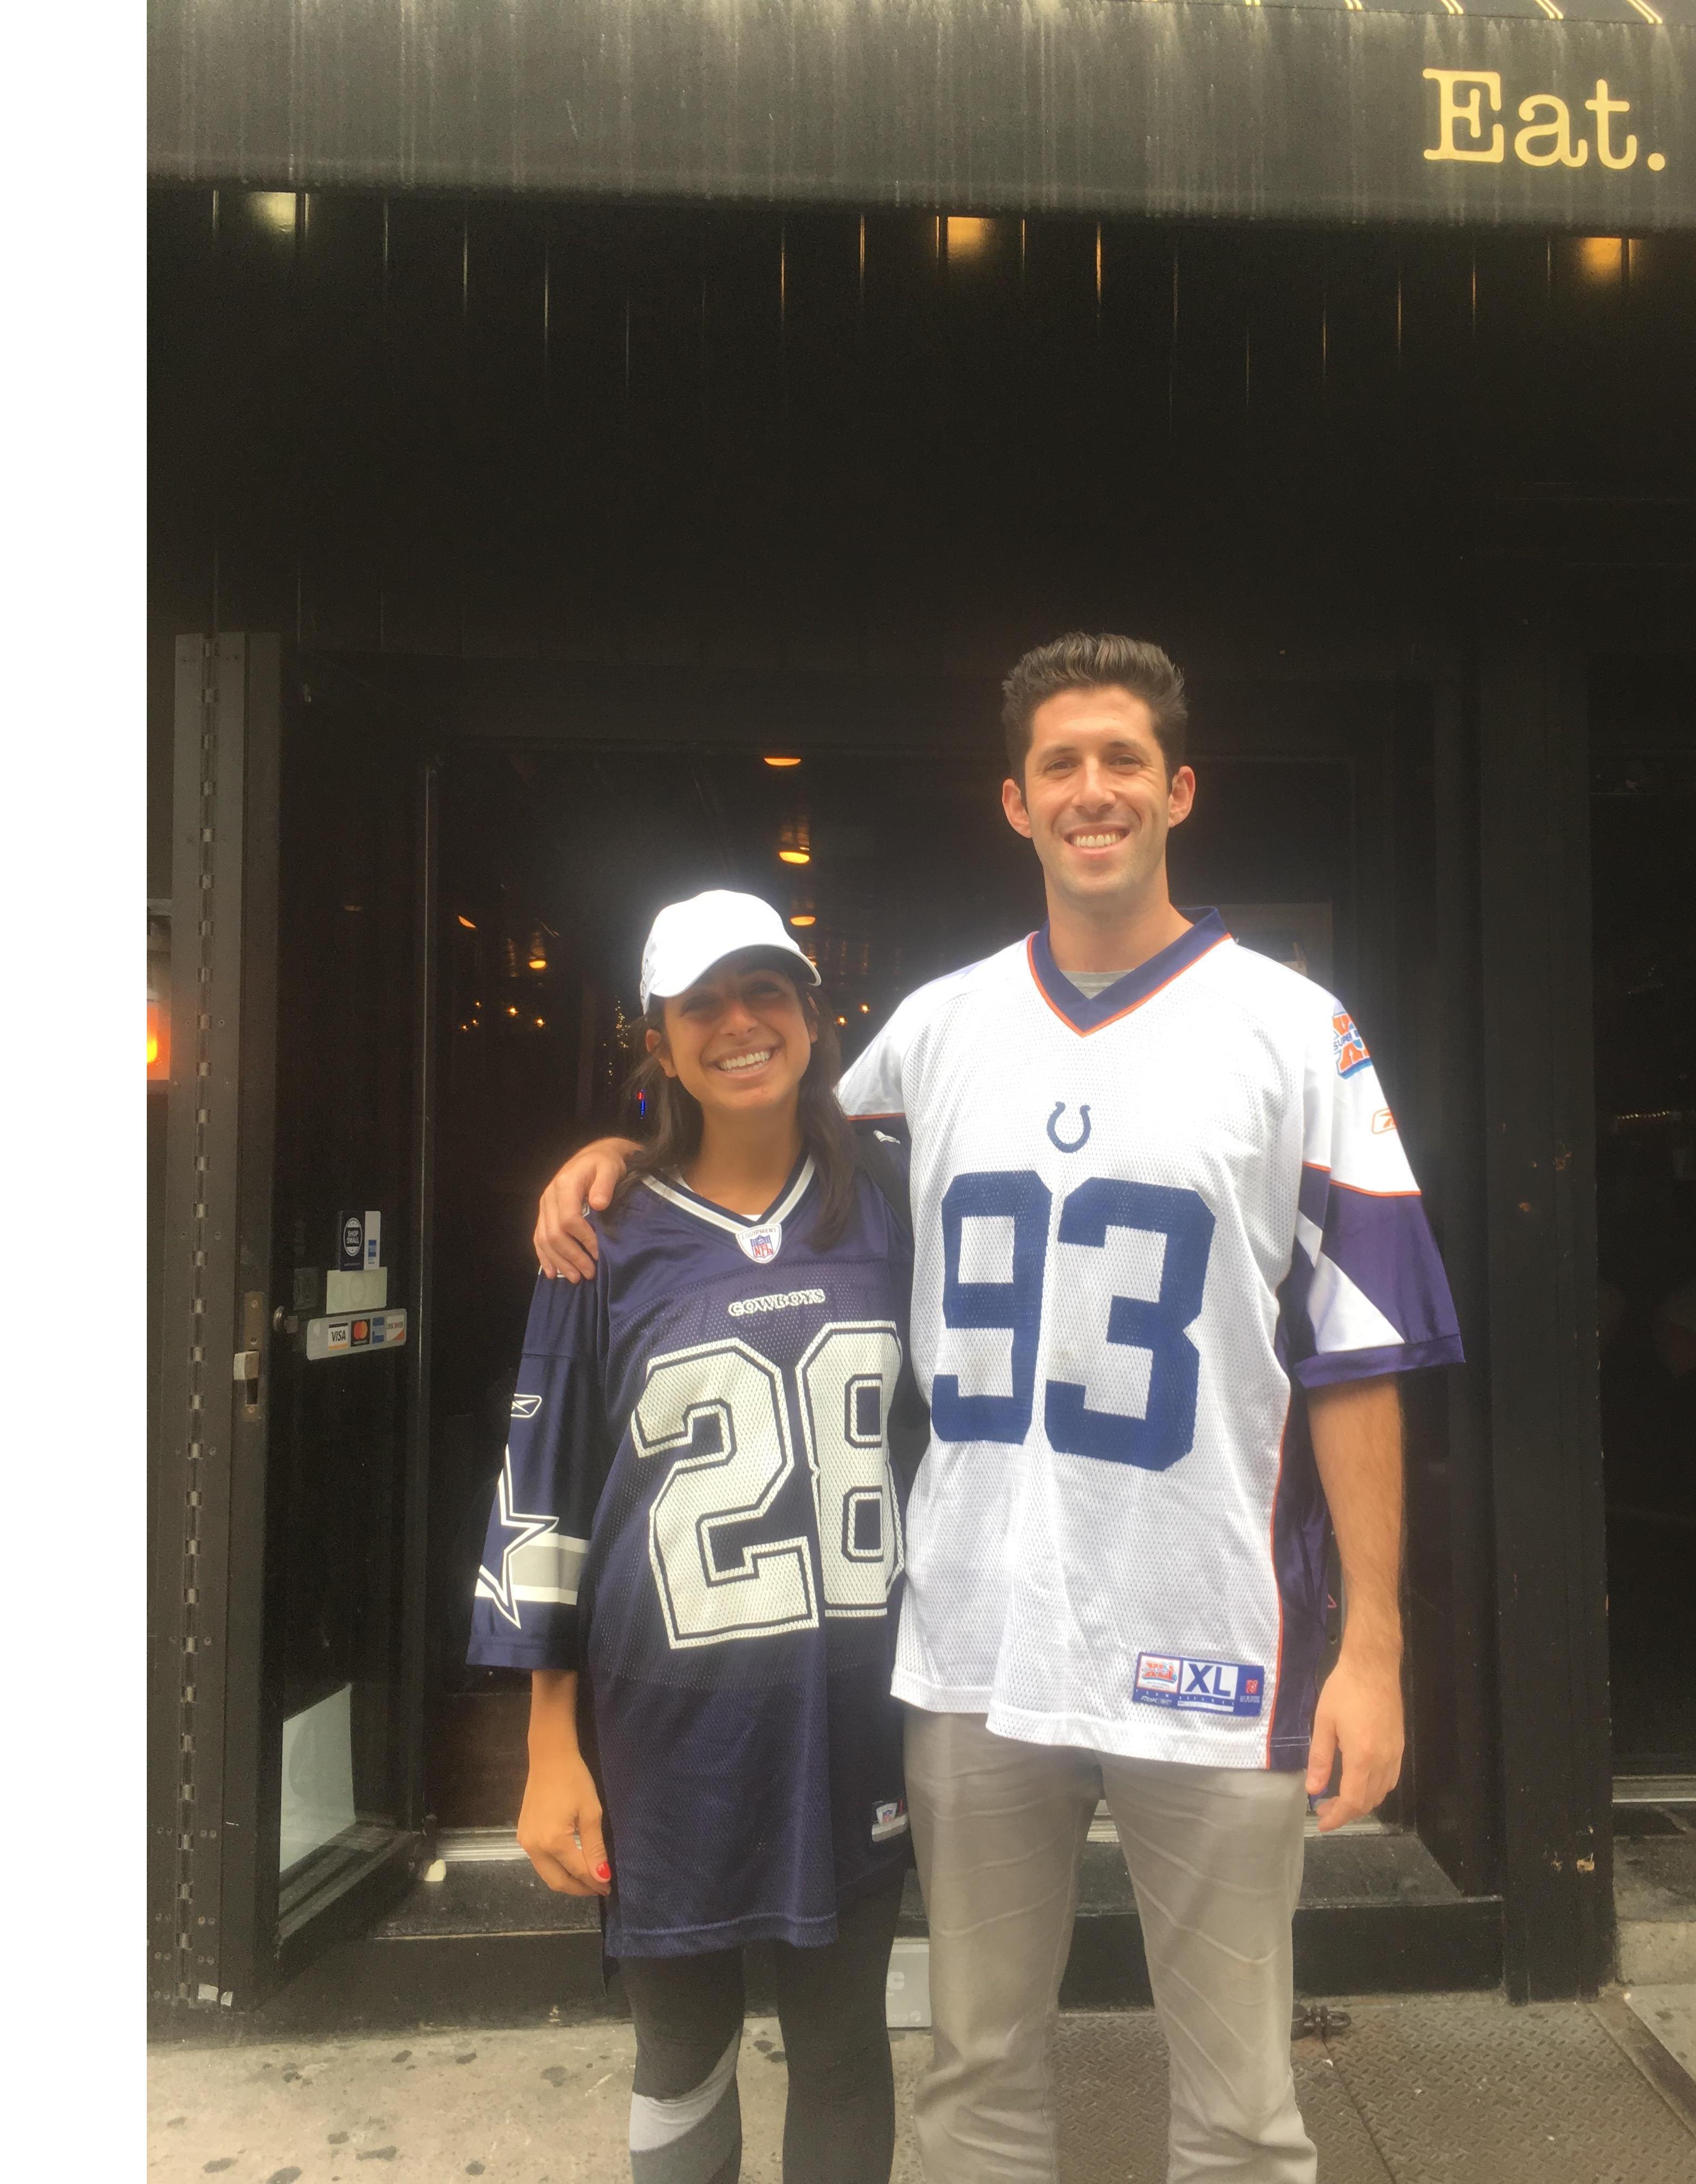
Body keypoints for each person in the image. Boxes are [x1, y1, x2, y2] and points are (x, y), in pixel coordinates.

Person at [534, 634, 1465, 2184]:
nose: (1093, 790)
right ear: (1016, 804)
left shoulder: (1298, 1029)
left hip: (1212, 1633)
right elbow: (757, 1144)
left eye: (1122, 760)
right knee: (975, 2077)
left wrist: (1374, 1647)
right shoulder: (940, 1027)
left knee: (1242, 2110)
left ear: (1178, 789)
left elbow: (1358, 1356)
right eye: (1059, 765)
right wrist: (623, 1151)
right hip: (973, 1640)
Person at [470, 889, 923, 2184]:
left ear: (814, 1017)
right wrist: (549, 1747)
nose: (739, 1023)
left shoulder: (897, 1204)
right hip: (666, 1730)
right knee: (678, 2055)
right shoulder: (603, 1235)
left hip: (853, 1716)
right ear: (660, 1044)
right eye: (702, 1004)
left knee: (844, 2047)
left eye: (764, 991)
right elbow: (544, 1493)